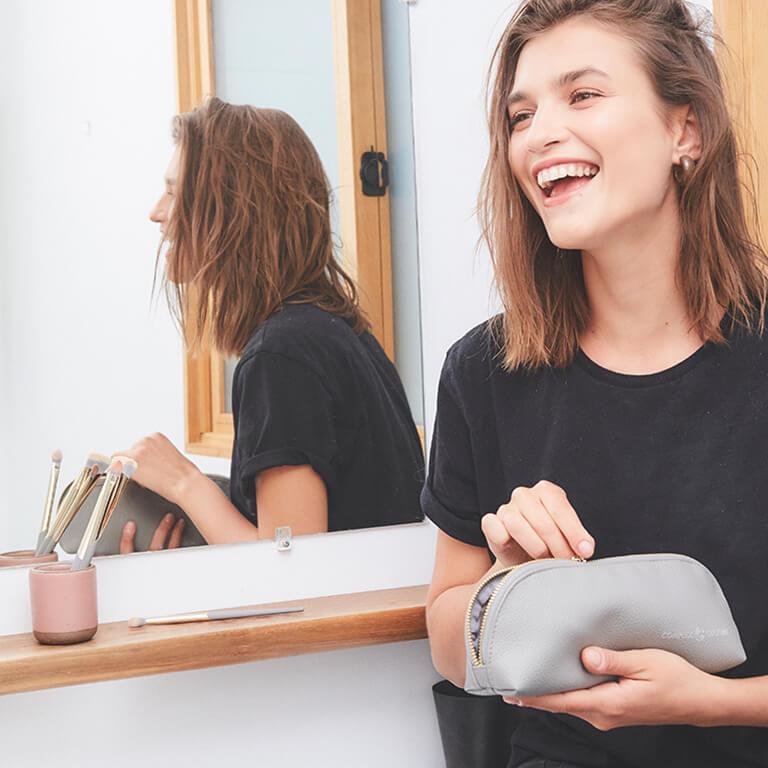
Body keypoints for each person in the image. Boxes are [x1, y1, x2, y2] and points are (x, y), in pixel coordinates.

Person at [422, 1, 768, 766]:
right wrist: (504, 588)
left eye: (582, 95)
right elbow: (449, 639)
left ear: (687, 131)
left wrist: (712, 704)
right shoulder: (482, 375)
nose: (539, 132)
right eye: (520, 114)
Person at [116, 98, 424, 551]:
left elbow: (292, 570)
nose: (157, 212)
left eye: (175, 192)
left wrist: (184, 483)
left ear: (234, 209)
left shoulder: (283, 357)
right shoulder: (331, 331)